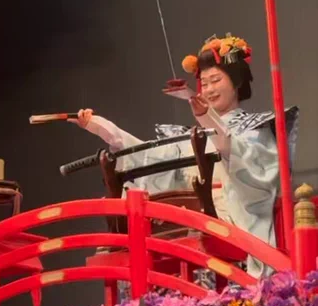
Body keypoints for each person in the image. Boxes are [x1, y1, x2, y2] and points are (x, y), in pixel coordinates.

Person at [70, 34, 299, 277]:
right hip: (188, 220)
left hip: (233, 218)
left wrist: (206, 117)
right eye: (205, 84)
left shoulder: (255, 129)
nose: (209, 89)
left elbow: (239, 157)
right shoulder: (190, 137)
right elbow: (149, 156)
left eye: (216, 80)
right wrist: (104, 129)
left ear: (237, 82)